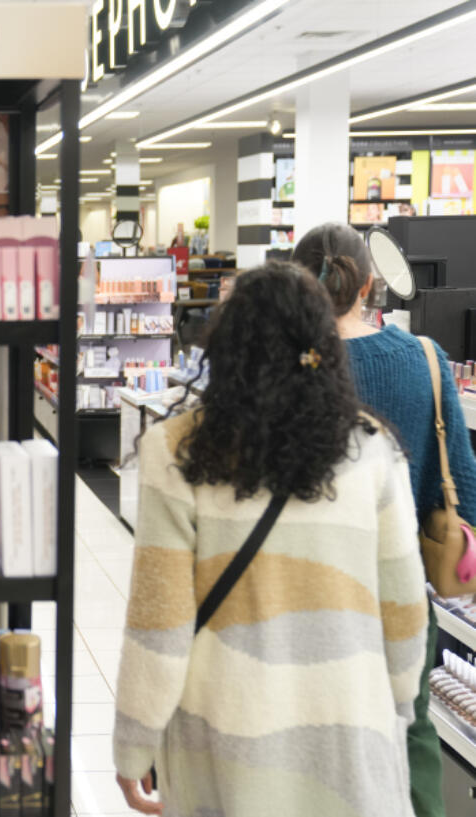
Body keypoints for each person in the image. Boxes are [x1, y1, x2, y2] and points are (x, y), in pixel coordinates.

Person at [113, 263, 427, 816]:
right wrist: (395, 708)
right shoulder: (373, 450)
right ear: (322, 347)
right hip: (348, 732)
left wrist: (134, 746)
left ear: (228, 348)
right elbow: (404, 608)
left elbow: (159, 626)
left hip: (227, 740)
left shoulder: (176, 452)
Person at [294, 221, 476, 817]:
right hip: (399, 597)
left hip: (301, 595)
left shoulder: (287, 368)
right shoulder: (423, 358)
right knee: (410, 731)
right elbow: (462, 490)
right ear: (371, 283)